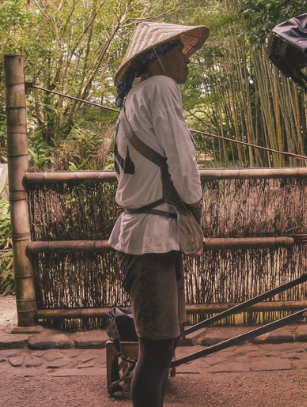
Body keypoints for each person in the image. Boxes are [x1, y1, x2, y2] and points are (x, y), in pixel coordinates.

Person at [108, 22, 209, 407]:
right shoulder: (161, 89)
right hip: (151, 239)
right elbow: (183, 162)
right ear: (156, 60)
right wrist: (197, 210)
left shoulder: (137, 95)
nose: (185, 59)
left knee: (162, 344)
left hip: (150, 233)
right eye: (176, 52)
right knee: (155, 351)